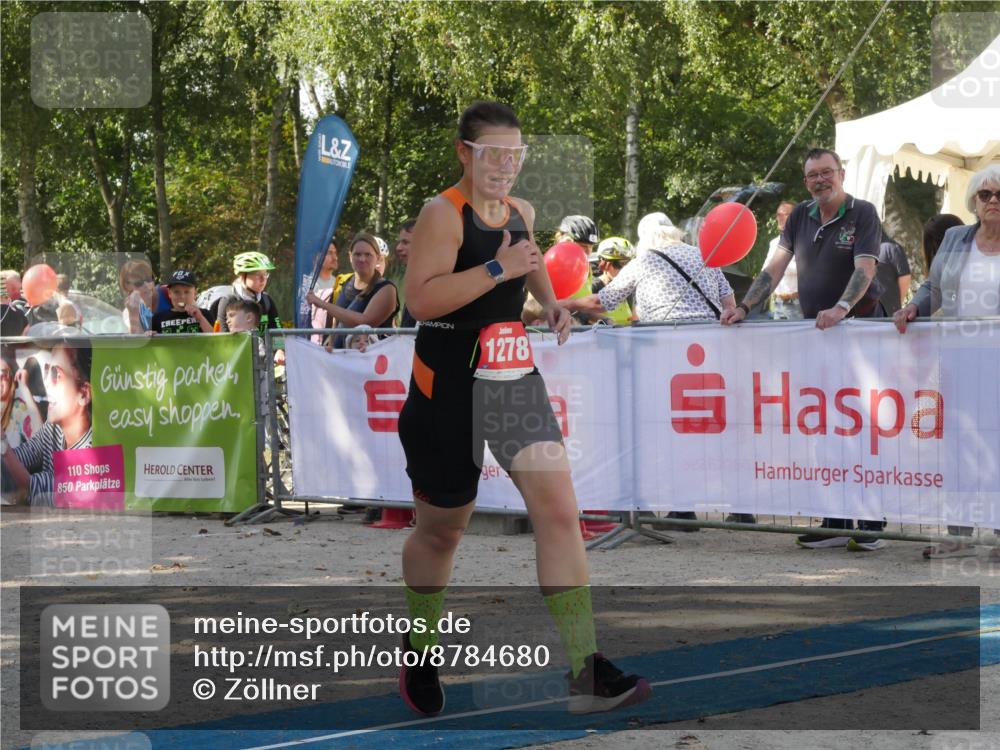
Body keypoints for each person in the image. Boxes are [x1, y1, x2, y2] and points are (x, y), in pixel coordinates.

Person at [396, 100, 651, 717]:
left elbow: (528, 262)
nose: (506, 166)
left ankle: (584, 670)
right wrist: (496, 267)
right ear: (465, 153)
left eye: (516, 154)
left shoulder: (520, 213)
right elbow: (422, 300)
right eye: (493, 154)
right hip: (446, 388)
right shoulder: (441, 214)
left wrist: (552, 303)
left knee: (560, 512)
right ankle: (420, 648)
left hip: (512, 380)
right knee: (442, 531)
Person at [721, 147, 887, 551]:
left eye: (826, 172)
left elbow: (866, 268)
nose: (820, 180)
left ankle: (871, 521)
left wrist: (842, 307)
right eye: (812, 175)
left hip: (860, 332)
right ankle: (834, 518)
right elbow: (775, 267)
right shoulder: (799, 217)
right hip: (820, 338)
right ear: (805, 180)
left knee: (864, 426)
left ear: (841, 173)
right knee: (826, 427)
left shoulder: (862, 212)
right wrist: (745, 306)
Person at [893, 165, 1000, 560]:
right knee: (959, 446)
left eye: (999, 195)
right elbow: (933, 288)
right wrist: (913, 309)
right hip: (959, 359)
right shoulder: (956, 239)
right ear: (974, 201)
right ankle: (958, 534)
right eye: (985, 195)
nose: (992, 202)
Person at [562, 221, 735, 323]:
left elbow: (601, 302)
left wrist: (566, 305)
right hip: (710, 335)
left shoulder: (645, 260)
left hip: (664, 337)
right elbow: (728, 298)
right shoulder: (704, 256)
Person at [1, 340, 93, 506]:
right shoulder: (53, 429)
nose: (47, 383)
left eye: (56, 374)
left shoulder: (93, 449)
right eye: (46, 371)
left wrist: (2, 444)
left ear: (84, 394)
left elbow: (34, 487)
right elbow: (20, 458)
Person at [306, 232, 399, 350]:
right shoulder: (346, 282)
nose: (362, 259)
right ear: (350, 257)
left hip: (372, 362)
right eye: (357, 254)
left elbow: (363, 323)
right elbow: (337, 321)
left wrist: (322, 304)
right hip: (343, 359)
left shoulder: (386, 289)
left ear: (378, 258)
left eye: (368, 255)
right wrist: (331, 346)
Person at [212, 251, 284, 364]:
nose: (263, 279)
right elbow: (222, 334)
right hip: (236, 361)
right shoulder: (228, 300)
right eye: (258, 275)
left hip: (263, 362)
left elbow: (276, 329)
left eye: (265, 274)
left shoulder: (266, 300)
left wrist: (280, 350)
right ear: (242, 276)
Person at [308, 239, 353, 344]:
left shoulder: (339, 283)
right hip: (314, 342)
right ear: (316, 257)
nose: (335, 258)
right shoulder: (307, 285)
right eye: (329, 253)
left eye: (335, 253)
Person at [761, 201, 801, 319]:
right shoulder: (774, 243)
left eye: (785, 214)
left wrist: (778, 266)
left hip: (797, 302)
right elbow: (765, 270)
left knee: (797, 337)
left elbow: (807, 269)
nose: (780, 218)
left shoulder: (803, 241)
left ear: (795, 217)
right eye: (778, 215)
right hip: (778, 302)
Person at [589, 237, 635, 325]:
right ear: (605, 263)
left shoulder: (628, 288)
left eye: (629, 264)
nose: (625, 269)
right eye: (621, 264)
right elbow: (586, 315)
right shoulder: (594, 287)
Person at [875, 226, 912, 315]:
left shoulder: (892, 248)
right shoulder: (861, 250)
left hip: (889, 312)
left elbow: (905, 277)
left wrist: (896, 303)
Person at [119, 259, 160, 333]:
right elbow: (136, 341)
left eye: (149, 279)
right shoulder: (129, 311)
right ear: (128, 289)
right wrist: (133, 314)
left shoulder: (170, 293)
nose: (147, 285)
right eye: (139, 283)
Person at [396, 220, 418, 328]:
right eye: (399, 242)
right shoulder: (413, 275)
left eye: (405, 242)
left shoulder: (437, 279)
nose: (398, 248)